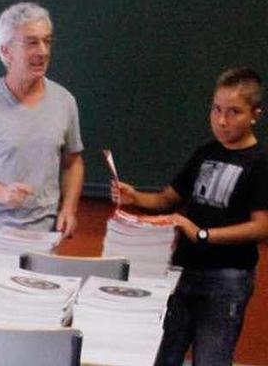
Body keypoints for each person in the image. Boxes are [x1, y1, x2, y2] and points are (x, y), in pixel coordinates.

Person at [112, 68, 268, 366]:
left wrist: (202, 234)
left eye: (234, 112)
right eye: (216, 109)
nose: (222, 120)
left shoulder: (260, 163)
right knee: (163, 354)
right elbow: (166, 199)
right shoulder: (205, 153)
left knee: (211, 358)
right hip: (182, 272)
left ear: (255, 115)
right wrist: (134, 197)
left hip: (227, 277)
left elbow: (262, 226)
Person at [0, 2, 84, 256]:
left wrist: (69, 208)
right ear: (6, 50)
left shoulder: (64, 101)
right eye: (32, 43)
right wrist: (0, 193)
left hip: (45, 241)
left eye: (47, 41)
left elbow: (73, 163)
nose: (43, 51)